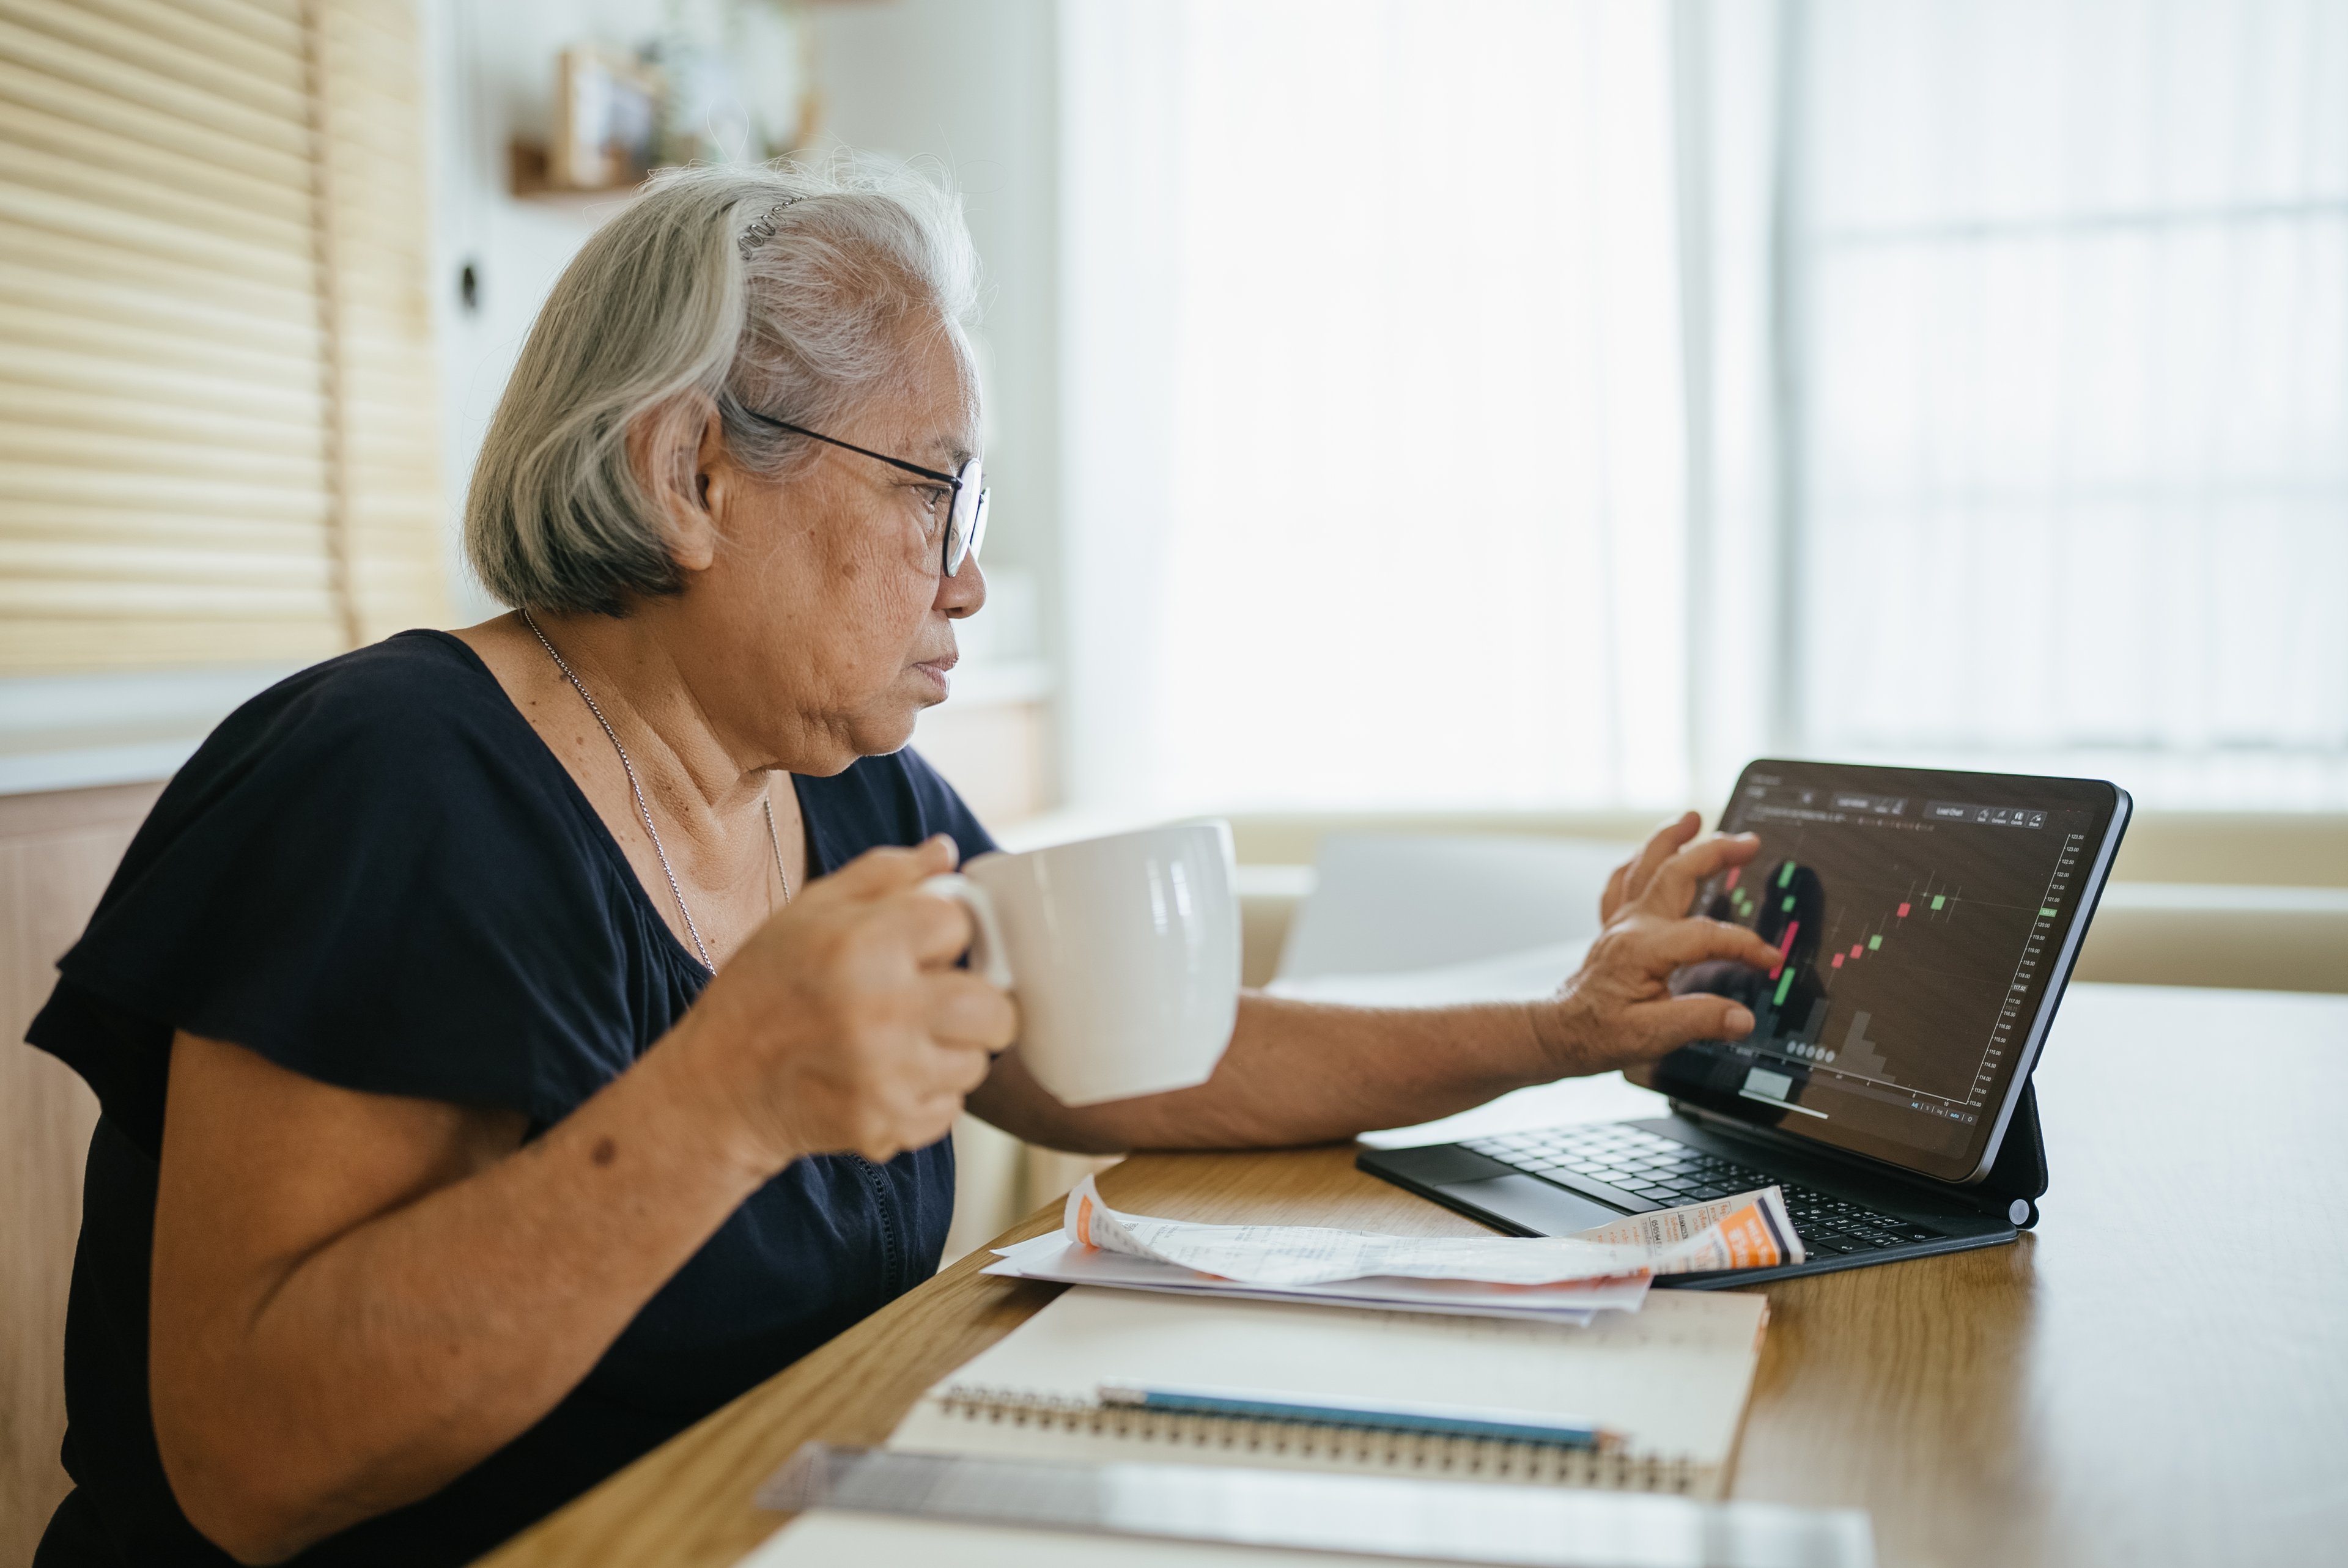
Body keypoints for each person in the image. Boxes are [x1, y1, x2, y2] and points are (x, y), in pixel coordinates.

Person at [27, 158, 1778, 1568]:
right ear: (693, 473)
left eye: (978, 508)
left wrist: (1554, 1030)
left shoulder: (855, 789)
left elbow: (1142, 1053)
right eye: (932, 492)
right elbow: (252, 1467)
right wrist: (725, 1105)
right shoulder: (386, 776)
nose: (968, 582)